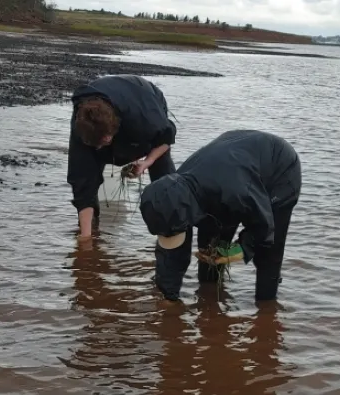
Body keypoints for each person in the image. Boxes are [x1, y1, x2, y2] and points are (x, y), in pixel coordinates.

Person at [138, 129, 301, 303]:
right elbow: (171, 256)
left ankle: (266, 309)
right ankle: (208, 303)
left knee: (268, 254)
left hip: (280, 172)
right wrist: (168, 298)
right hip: (231, 159)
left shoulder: (238, 193)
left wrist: (240, 249)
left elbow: (265, 227)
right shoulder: (174, 191)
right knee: (210, 250)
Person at [66, 74, 177, 240]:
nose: (98, 148)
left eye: (103, 143)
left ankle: (172, 226)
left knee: (162, 175)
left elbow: (167, 137)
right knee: (85, 172)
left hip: (144, 97)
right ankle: (91, 229)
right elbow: (82, 182)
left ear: (113, 131)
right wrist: (85, 239)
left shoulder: (146, 120)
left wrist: (148, 161)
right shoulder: (82, 126)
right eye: (95, 145)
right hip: (105, 109)